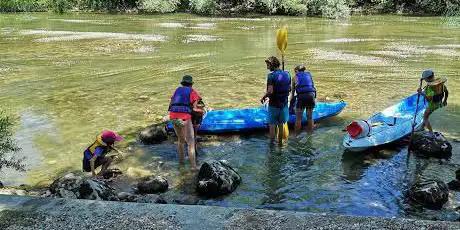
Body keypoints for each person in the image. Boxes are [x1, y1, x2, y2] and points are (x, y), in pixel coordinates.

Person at [168, 75, 201, 170]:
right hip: (184, 118)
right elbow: (194, 108)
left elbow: (171, 103)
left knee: (181, 140)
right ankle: (193, 167)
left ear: (182, 83)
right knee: (190, 142)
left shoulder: (177, 90)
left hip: (173, 116)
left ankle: (182, 161)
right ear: (191, 84)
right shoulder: (192, 91)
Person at [260, 56, 291, 143]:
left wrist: (263, 97)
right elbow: (289, 89)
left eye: (268, 65)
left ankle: (272, 147)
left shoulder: (271, 76)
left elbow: (270, 91)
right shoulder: (287, 74)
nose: (267, 67)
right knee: (281, 125)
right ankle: (280, 144)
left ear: (272, 65)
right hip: (284, 104)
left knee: (272, 126)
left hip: (273, 105)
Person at [417, 70, 448, 136]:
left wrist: (422, 93)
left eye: (425, 78)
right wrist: (445, 100)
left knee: (425, 117)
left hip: (432, 105)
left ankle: (431, 133)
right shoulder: (440, 84)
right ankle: (422, 128)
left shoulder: (430, 87)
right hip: (439, 103)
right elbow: (446, 91)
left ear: (427, 79)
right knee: (426, 116)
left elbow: (429, 99)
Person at [290, 64, 316, 135]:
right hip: (311, 96)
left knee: (298, 118)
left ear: (296, 71)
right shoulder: (309, 75)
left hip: (302, 97)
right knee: (310, 117)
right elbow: (311, 87)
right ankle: (310, 134)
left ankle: (296, 136)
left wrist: (291, 105)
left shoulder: (294, 77)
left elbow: (292, 94)